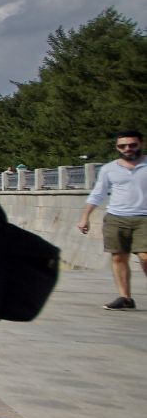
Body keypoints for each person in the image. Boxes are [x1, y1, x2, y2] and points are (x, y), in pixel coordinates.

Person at [77, 128, 147, 310]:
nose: (128, 149)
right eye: (123, 146)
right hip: (116, 218)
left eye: (132, 145)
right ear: (117, 147)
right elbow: (97, 194)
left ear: (141, 144)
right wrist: (85, 217)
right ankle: (125, 298)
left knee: (145, 257)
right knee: (118, 257)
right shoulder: (109, 169)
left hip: (144, 218)